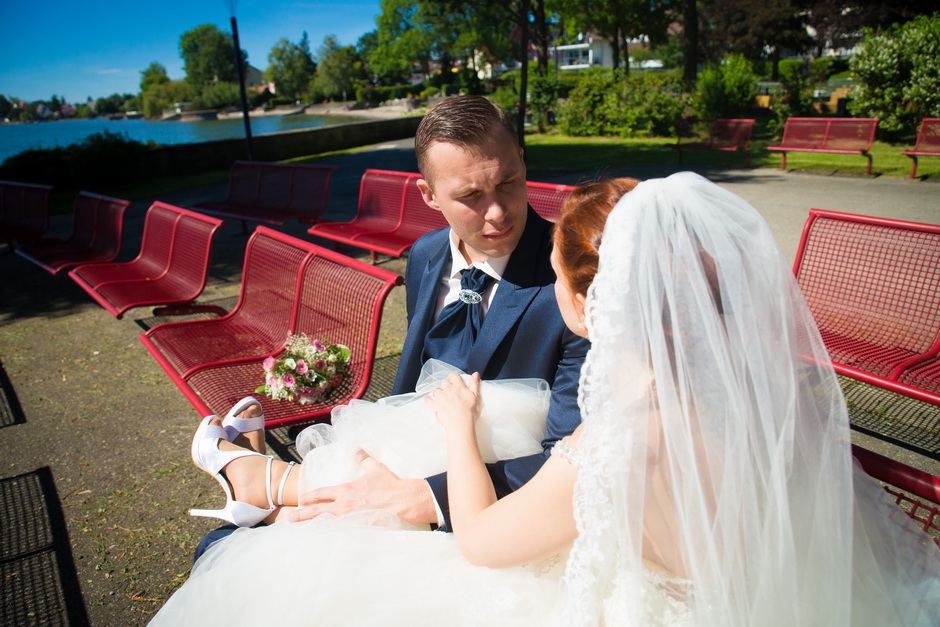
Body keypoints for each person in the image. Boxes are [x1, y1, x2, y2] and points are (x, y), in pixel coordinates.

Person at [152, 171, 940, 625]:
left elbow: (483, 542)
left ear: (589, 303)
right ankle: (271, 486)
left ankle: (263, 488)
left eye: (560, 279)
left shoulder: (620, 438)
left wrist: (460, 430)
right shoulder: (783, 392)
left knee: (323, 569)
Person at [192, 95, 590, 556]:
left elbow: (570, 456)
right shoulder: (425, 255)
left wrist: (424, 497)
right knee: (228, 549)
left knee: (236, 551)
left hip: (491, 502)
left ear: (521, 160)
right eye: (470, 197)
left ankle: (265, 487)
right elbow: (415, 377)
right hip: (405, 449)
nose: (497, 212)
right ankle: (272, 492)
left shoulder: (573, 278)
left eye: (508, 182)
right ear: (428, 195)